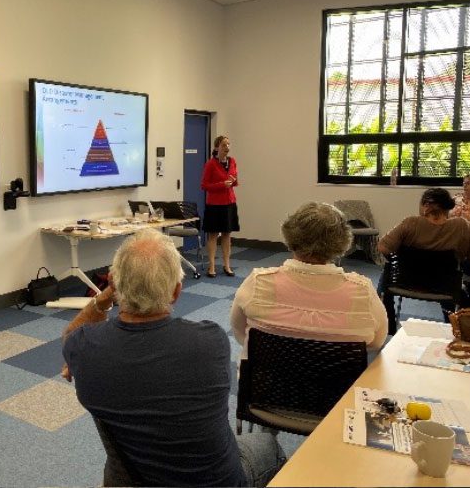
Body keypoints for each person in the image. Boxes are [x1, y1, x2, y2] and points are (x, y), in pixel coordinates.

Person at [62, 229, 285, 488]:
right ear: (176, 292)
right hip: (216, 482)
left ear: (113, 282)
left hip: (130, 479)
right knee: (269, 444)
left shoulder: (83, 347)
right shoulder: (211, 341)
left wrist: (104, 299)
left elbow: (70, 335)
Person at [231, 202, 387, 358]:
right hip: (339, 381)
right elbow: (376, 343)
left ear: (290, 235)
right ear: (343, 241)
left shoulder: (258, 282)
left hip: (264, 380)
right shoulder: (362, 292)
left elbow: (239, 332)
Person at [378, 187, 470, 332]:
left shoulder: (410, 223)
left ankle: (388, 326)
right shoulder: (461, 226)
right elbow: (465, 255)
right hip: (445, 286)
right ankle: (456, 328)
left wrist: (396, 260)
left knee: (387, 271)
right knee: (460, 283)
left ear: (426, 205)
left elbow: (383, 247)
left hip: (404, 282)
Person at [201, 135, 239, 278]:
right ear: (217, 147)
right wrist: (221, 185)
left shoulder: (232, 161)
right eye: (224, 145)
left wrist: (232, 182)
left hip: (229, 202)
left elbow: (235, 181)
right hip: (214, 204)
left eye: (228, 144)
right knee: (213, 235)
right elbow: (204, 185)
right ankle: (211, 266)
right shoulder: (211, 164)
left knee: (227, 234)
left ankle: (227, 265)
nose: (227, 147)